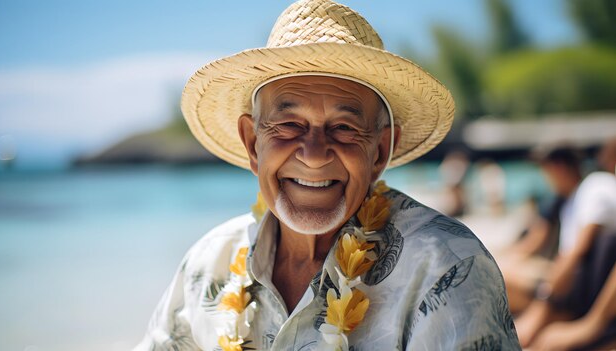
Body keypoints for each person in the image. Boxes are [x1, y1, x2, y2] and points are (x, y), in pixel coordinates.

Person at [134, 1, 520, 350]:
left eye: (344, 128)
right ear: (253, 144)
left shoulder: (444, 267)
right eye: (288, 124)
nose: (314, 155)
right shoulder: (208, 263)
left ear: (380, 152)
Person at [516, 138, 616, 350]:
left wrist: (542, 308)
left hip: (591, 304)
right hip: (586, 296)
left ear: (558, 167)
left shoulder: (594, 187)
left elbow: (577, 253)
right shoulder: (573, 199)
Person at [499, 146, 583, 314]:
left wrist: (545, 303)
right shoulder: (567, 199)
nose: (546, 178)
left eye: (546, 171)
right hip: (561, 271)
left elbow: (535, 242)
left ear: (558, 167)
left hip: (564, 276)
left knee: (497, 278)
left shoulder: (567, 199)